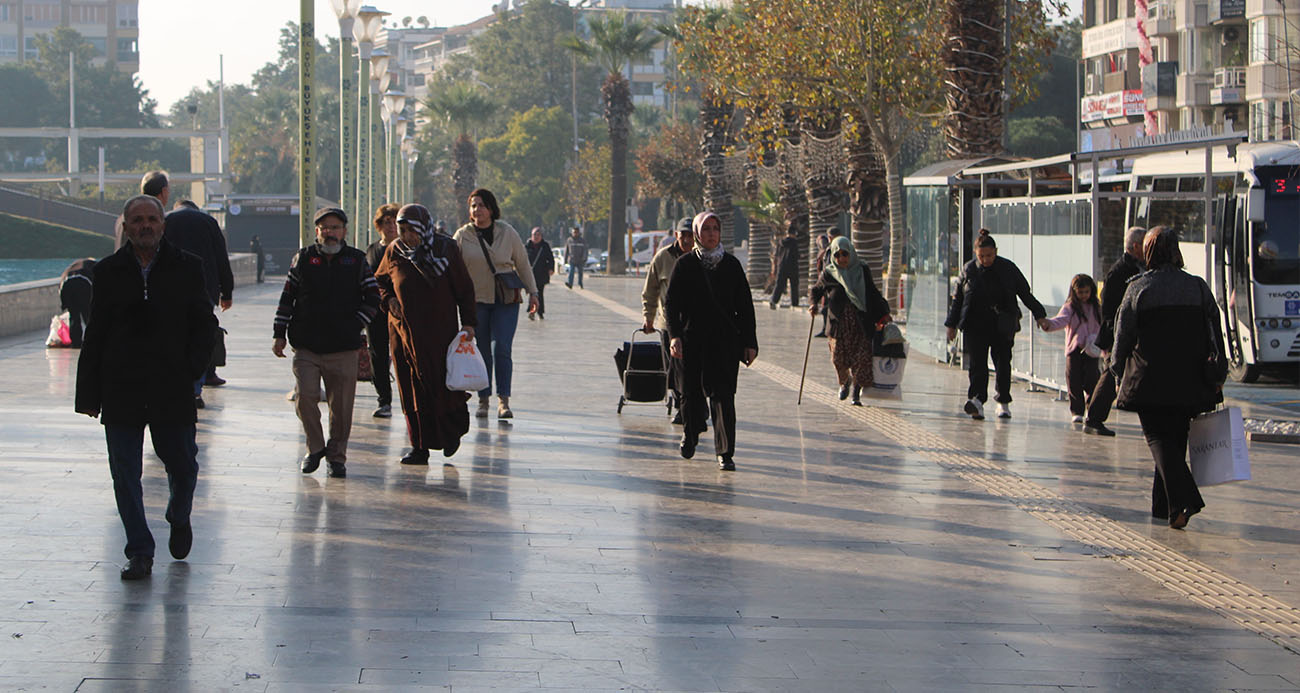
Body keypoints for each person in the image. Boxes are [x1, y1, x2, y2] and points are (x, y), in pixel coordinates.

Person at [75, 195, 217, 580]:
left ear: (163, 224)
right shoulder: (107, 272)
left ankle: (179, 513)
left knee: (184, 464)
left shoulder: (188, 268)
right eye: (137, 220)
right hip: (121, 388)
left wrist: (191, 370)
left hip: (171, 387)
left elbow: (205, 325)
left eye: (152, 219)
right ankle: (139, 550)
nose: (145, 226)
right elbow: (96, 334)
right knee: (124, 473)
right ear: (126, 226)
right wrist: (88, 394)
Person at [1112, 226, 1227, 530]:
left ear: (1149, 252)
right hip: (1191, 380)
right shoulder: (1199, 288)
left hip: (1149, 380)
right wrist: (1219, 373)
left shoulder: (1139, 288)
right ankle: (1163, 509)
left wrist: (1115, 368)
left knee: (1158, 438)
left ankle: (1185, 500)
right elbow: (1216, 333)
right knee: (1176, 439)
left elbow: (1122, 336)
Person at [272, 207, 381, 479]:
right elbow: (288, 298)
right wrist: (279, 333)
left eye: (335, 228)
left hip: (344, 347)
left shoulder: (356, 261)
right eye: (325, 228)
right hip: (307, 345)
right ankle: (315, 446)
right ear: (317, 231)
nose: (330, 233)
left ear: (344, 231)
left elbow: (372, 298)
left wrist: (354, 323)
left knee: (341, 408)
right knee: (305, 398)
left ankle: (336, 457)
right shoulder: (304, 259)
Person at [373, 204, 478, 463]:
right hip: (403, 333)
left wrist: (469, 323)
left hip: (439, 333)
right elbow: (379, 281)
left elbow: (464, 288)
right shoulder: (394, 252)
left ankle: (450, 433)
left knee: (440, 383)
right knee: (410, 388)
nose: (408, 236)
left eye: (412, 231)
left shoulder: (446, 250)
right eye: (403, 230)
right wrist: (388, 300)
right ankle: (419, 446)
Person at [664, 211, 759, 471]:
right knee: (691, 393)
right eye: (706, 229)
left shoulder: (731, 266)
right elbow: (671, 304)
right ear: (697, 233)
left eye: (715, 229)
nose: (711, 234)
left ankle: (725, 452)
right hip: (692, 341)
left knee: (723, 397)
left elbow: (745, 307)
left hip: (725, 343)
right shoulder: (685, 265)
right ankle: (691, 433)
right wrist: (674, 336)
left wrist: (750, 342)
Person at [142, 172, 234, 397]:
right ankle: (196, 387)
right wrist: (227, 292)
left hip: (170, 289)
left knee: (175, 336)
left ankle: (176, 384)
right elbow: (222, 259)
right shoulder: (208, 221)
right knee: (200, 335)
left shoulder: (166, 221)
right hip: (205, 289)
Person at [945, 229, 1049, 420]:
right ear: (976, 254)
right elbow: (957, 301)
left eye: (989, 255)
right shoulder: (968, 270)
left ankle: (1003, 402)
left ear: (996, 251)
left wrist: (1040, 315)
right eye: (981, 256)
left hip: (1002, 324)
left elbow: (1025, 294)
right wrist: (951, 325)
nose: (986, 259)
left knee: (1002, 363)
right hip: (975, 325)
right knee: (977, 365)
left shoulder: (1008, 269)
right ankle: (977, 401)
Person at [453, 188, 539, 419]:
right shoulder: (462, 236)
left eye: (481, 205)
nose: (476, 210)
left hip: (505, 300)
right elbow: (452, 269)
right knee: (481, 352)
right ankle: (483, 400)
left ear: (491, 209)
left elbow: (522, 263)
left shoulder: (507, 232)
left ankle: (504, 400)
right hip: (476, 302)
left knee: (501, 347)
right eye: (473, 206)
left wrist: (534, 292)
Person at [810, 236, 892, 406]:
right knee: (838, 358)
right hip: (838, 325)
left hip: (860, 322)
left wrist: (884, 313)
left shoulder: (861, 270)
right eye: (838, 255)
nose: (842, 259)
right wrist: (813, 304)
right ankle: (845, 381)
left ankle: (856, 392)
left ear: (851, 253)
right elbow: (816, 290)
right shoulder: (829, 273)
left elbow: (872, 292)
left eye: (845, 254)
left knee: (861, 358)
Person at [1083, 226, 1147, 436]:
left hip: (1130, 330)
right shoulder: (1119, 272)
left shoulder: (1139, 267)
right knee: (1112, 372)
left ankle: (1094, 416)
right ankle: (1093, 417)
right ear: (1136, 246)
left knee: (1115, 372)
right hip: (1119, 331)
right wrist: (1116, 331)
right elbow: (1109, 307)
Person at [641, 217, 695, 424]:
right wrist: (649, 318)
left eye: (691, 236)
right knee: (675, 367)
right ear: (676, 236)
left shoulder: (702, 258)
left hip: (696, 324)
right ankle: (682, 406)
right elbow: (650, 290)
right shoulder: (662, 258)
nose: (688, 240)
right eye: (684, 236)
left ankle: (696, 405)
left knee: (695, 368)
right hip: (669, 325)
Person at [1041, 273, 1103, 424]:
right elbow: (1061, 320)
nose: (1083, 296)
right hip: (1074, 350)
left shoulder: (1096, 308)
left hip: (1092, 350)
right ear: (1074, 292)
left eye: (1086, 292)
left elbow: (1103, 326)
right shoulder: (1070, 307)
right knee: (1073, 380)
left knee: (1092, 380)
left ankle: (1091, 409)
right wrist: (1048, 324)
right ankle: (1077, 411)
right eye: (1080, 292)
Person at [365, 203, 401, 418]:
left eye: (394, 222)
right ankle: (384, 399)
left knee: (404, 355)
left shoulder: (406, 249)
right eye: (386, 223)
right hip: (376, 311)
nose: (391, 227)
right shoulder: (372, 250)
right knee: (377, 354)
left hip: (400, 311)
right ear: (379, 226)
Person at [59, 258, 96, 348]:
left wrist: (64, 303)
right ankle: (92, 340)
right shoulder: (93, 267)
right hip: (84, 286)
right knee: (87, 316)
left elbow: (61, 286)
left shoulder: (73, 268)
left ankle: (76, 342)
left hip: (67, 287)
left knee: (74, 316)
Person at [524, 227, 555, 320]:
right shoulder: (527, 246)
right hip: (530, 274)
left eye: (538, 235)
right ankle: (532, 311)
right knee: (532, 293)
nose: (536, 237)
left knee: (539, 293)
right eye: (534, 235)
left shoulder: (545, 246)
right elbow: (522, 259)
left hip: (541, 273)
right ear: (531, 236)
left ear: (541, 236)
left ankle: (539, 312)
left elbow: (550, 258)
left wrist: (551, 268)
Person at [769, 222, 801, 309]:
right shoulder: (794, 242)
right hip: (792, 266)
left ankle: (774, 300)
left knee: (779, 284)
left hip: (782, 266)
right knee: (794, 285)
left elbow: (776, 254)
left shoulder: (780, 242)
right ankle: (794, 303)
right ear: (794, 233)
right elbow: (796, 255)